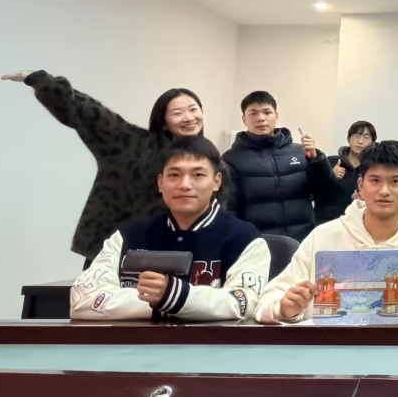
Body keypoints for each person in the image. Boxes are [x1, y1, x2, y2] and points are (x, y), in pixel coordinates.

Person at [2, 70, 205, 262]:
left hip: (180, 259)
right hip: (115, 256)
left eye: (193, 109)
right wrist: (41, 80)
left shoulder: (210, 162)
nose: (189, 117)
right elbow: (89, 113)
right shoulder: (132, 143)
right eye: (178, 113)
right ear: (163, 121)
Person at [256, 140, 398, 323]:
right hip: (330, 347)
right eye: (375, 180)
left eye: (395, 181)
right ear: (361, 185)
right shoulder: (323, 236)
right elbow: (267, 301)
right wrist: (285, 309)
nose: (384, 191)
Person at [70, 137, 269, 322]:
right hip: (137, 345)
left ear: (216, 182)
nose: (184, 185)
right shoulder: (129, 234)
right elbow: (83, 299)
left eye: (198, 175)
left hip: (211, 345)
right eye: (174, 175)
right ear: (160, 183)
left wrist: (175, 296)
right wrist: (164, 302)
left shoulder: (244, 238)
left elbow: (245, 303)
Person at [221, 91, 333, 241]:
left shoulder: (300, 152)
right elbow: (229, 208)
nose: (261, 118)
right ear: (244, 119)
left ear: (276, 116)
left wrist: (316, 159)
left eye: (267, 112)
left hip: (303, 239)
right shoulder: (231, 159)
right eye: (253, 113)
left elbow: (326, 192)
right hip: (258, 242)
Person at [315, 120, 377, 223]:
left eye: (366, 137)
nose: (360, 141)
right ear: (348, 139)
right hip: (326, 223)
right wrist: (330, 176)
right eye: (356, 136)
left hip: (358, 224)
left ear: (372, 143)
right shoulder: (330, 162)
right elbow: (312, 193)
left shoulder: (374, 169)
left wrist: (365, 201)